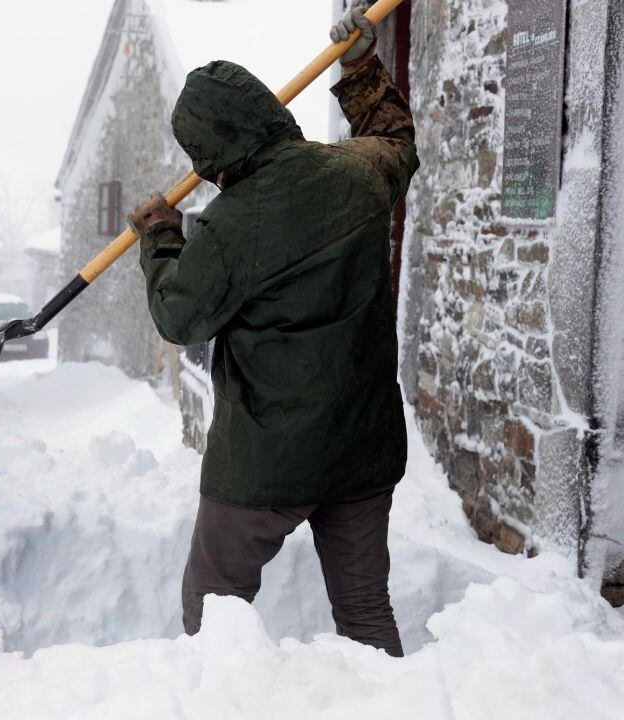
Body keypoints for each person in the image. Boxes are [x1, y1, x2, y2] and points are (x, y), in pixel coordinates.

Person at [128, 6, 418, 657]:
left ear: (211, 155)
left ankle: (213, 700)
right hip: (362, 448)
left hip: (265, 465)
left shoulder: (230, 228)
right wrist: (360, 67)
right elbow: (398, 138)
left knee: (213, 613)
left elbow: (179, 315)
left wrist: (159, 237)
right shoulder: (360, 174)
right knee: (368, 614)